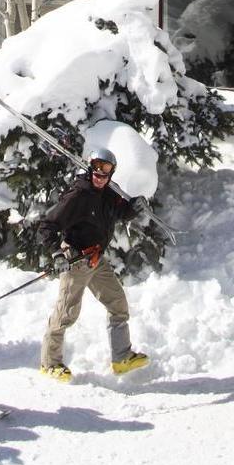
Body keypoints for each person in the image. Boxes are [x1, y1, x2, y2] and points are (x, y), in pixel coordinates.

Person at [37, 147, 150, 382]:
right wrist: (57, 253)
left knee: (118, 302)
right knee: (66, 312)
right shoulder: (78, 195)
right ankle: (50, 363)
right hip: (75, 260)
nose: (100, 176)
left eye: (105, 171)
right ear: (90, 168)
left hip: (96, 260)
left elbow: (118, 213)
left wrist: (133, 209)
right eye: (97, 170)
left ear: (111, 173)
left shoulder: (107, 193)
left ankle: (122, 358)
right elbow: (48, 225)